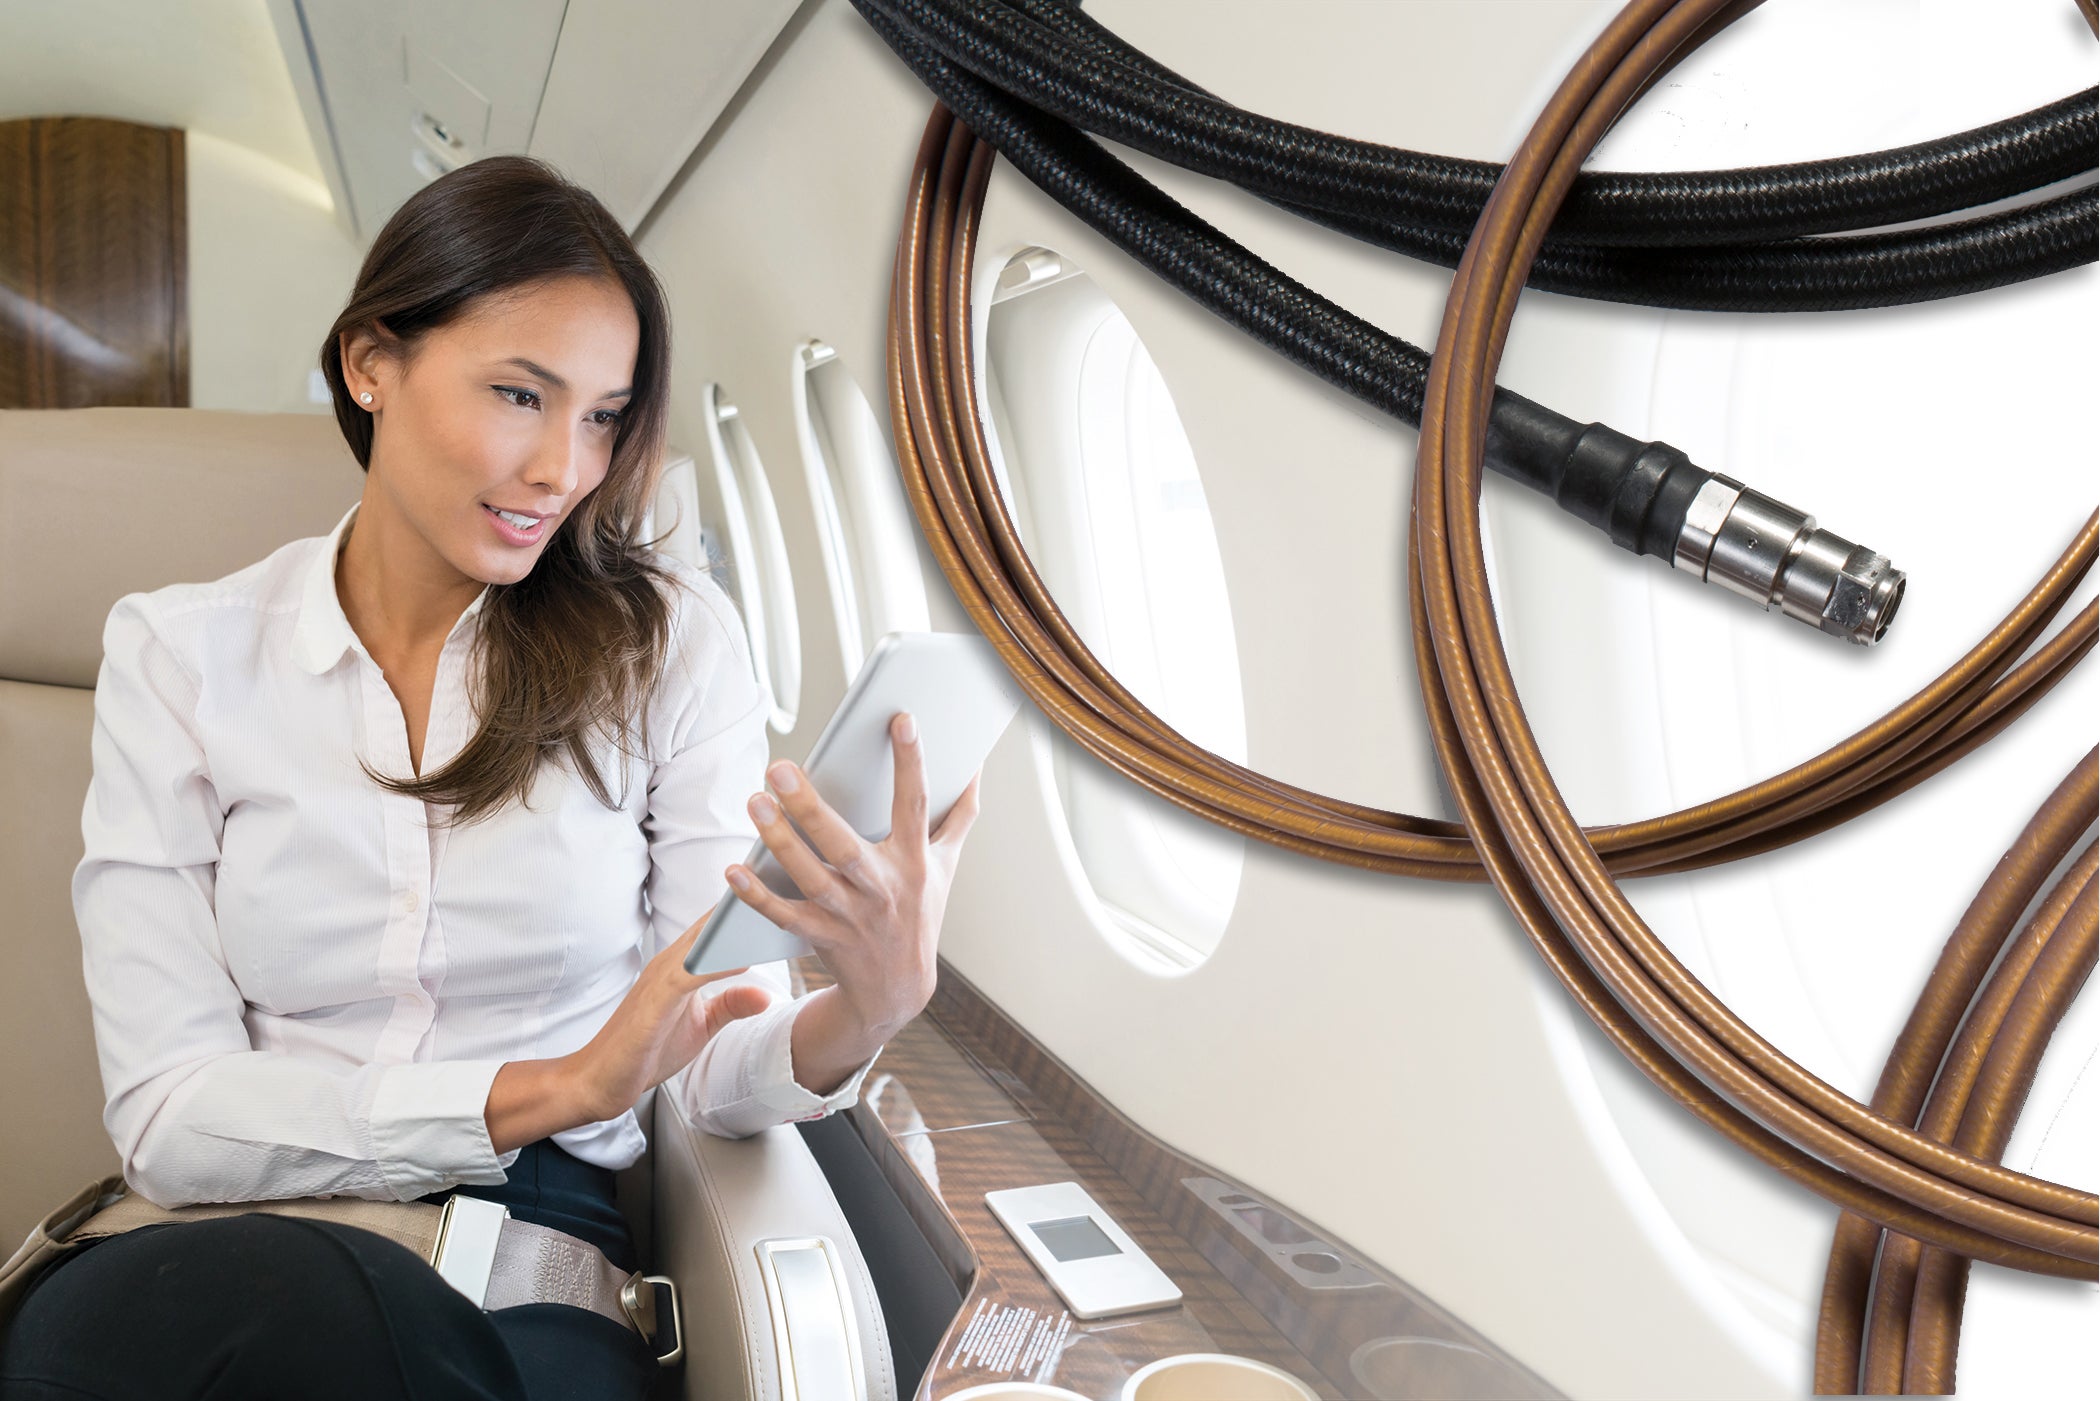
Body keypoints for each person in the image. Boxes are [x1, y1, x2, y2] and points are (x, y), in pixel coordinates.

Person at [0, 155, 982, 1401]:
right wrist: (560, 1087)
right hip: (204, 1248)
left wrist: (869, 1007)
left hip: (525, 1256)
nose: (562, 469)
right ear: (371, 362)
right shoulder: (178, 654)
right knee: (312, 1317)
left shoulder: (668, 648)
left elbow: (703, 1057)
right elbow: (169, 1116)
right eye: (521, 394)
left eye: (602, 417)